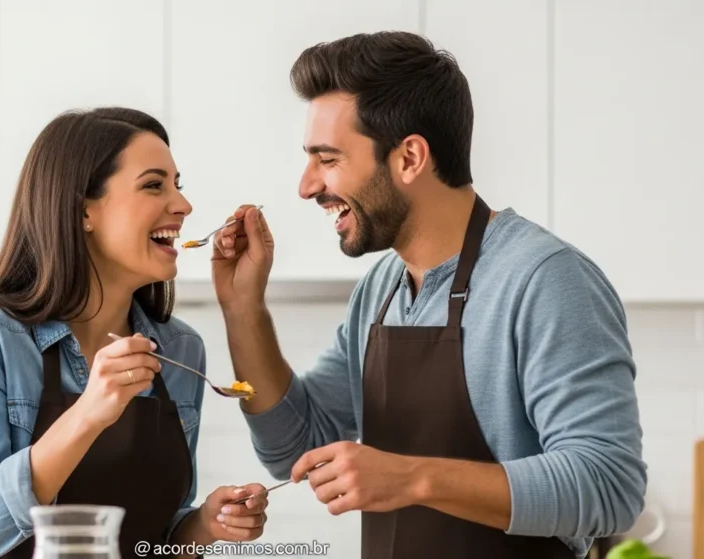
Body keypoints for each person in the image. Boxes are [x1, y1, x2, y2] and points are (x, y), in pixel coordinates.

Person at [209, 31, 646, 558]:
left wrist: (412, 478)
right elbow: (298, 448)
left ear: (410, 157)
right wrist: (243, 309)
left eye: (327, 159)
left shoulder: (544, 279)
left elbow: (609, 484)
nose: (306, 186)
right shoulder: (383, 289)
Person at [0, 107, 269, 559]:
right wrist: (89, 412)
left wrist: (203, 525)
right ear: (84, 209)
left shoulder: (180, 349)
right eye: (153, 185)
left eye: (177, 185)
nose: (183, 205)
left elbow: (154, 542)